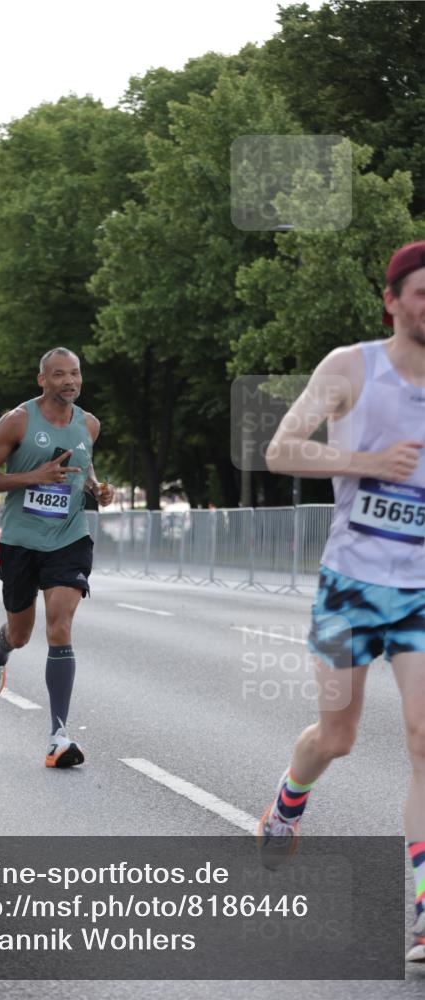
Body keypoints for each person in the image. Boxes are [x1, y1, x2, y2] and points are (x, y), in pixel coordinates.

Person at [258, 241, 425, 962]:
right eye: (421, 293)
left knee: (423, 738)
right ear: (391, 301)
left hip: (420, 589)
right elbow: (280, 450)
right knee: (338, 736)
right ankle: (287, 803)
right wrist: (365, 462)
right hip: (346, 586)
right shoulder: (350, 367)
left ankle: (424, 911)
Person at [0, 347, 114, 768]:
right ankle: (0, 650)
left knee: (60, 626)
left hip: (69, 537)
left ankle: (58, 736)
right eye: (59, 374)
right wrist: (34, 477)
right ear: (42, 380)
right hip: (21, 540)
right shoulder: (18, 421)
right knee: (21, 633)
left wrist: (96, 488)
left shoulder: (89, 424)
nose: (69, 381)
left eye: (75, 374)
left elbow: (83, 467)